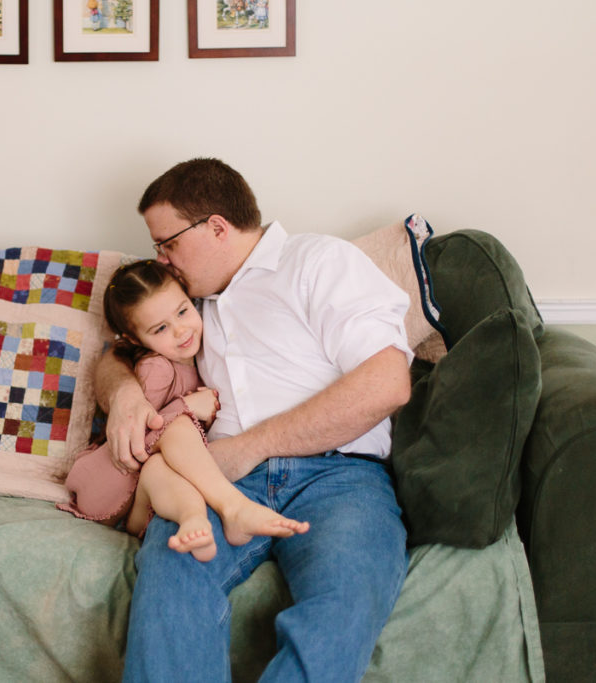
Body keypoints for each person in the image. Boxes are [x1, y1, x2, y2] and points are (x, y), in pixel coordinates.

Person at [96, 158, 414, 681]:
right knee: (174, 572)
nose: (161, 260)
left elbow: (387, 382)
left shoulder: (317, 261)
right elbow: (119, 348)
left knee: (347, 595)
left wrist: (255, 445)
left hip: (339, 477)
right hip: (217, 479)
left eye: (168, 243)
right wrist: (126, 394)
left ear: (217, 227)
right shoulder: (188, 300)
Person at [58, 260, 309, 562]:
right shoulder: (157, 369)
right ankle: (233, 507)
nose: (180, 331)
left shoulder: (203, 352)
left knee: (159, 468)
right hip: (108, 484)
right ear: (136, 340)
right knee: (177, 429)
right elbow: (141, 432)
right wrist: (186, 407)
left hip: (144, 502)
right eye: (161, 328)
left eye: (182, 311)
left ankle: (194, 521)